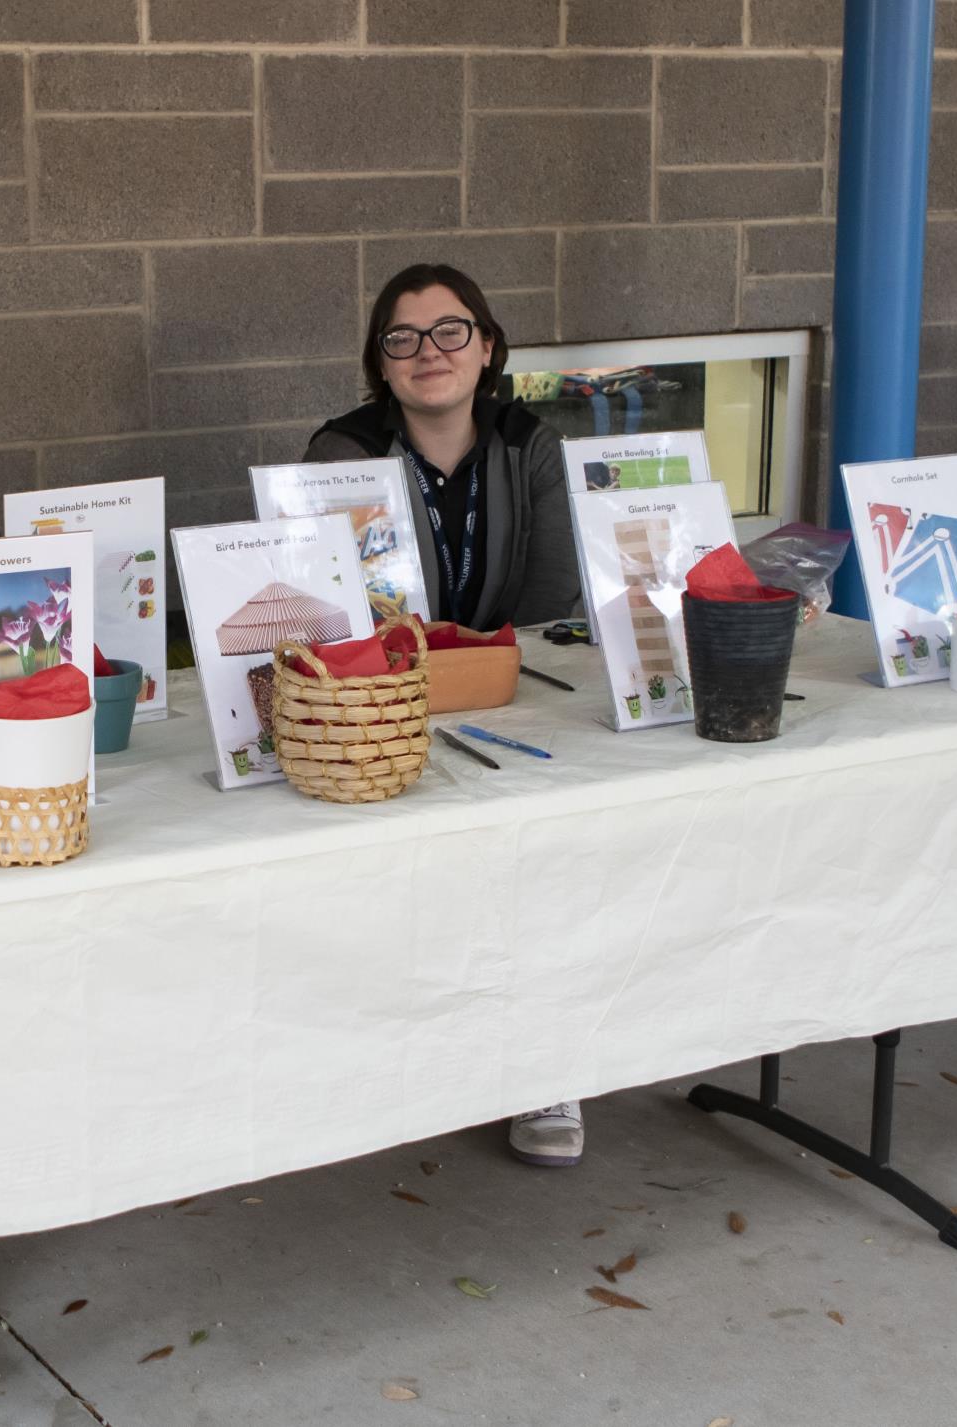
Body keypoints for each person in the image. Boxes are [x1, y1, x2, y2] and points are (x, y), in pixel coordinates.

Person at [304, 263, 587, 1169]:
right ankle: (397, 1062)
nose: (429, 353)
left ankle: (544, 1062)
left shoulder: (529, 444)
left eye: (450, 331)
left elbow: (546, 611)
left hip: (505, 694)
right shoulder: (341, 456)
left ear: (488, 346)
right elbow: (327, 616)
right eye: (403, 338)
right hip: (373, 708)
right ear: (380, 366)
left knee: (545, 842)